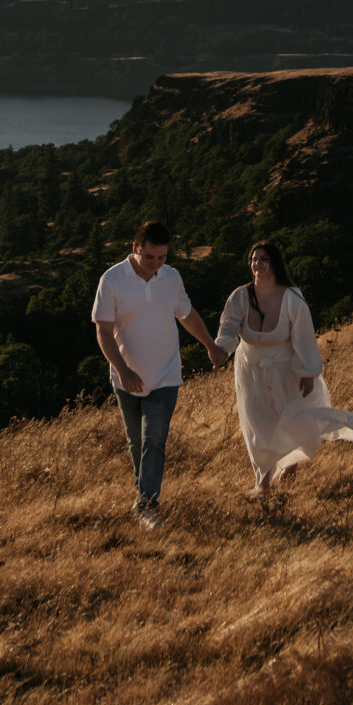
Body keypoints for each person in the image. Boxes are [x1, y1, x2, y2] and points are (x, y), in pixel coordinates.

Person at [92, 220, 225, 528]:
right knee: (136, 441)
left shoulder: (171, 278)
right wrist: (123, 370)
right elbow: (104, 332)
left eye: (162, 258)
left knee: (154, 439)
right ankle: (143, 493)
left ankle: (147, 507)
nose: (155, 264)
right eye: (150, 257)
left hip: (166, 374)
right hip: (126, 377)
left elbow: (186, 314)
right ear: (135, 248)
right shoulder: (112, 279)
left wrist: (210, 345)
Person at [213, 240, 353, 495]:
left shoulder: (291, 297)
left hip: (286, 369)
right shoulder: (240, 296)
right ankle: (262, 484)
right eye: (254, 259)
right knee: (258, 427)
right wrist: (222, 349)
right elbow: (229, 327)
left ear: (274, 263)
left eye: (263, 259)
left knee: (292, 421)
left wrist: (308, 372)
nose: (258, 264)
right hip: (250, 371)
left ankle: (289, 470)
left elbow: (304, 336)